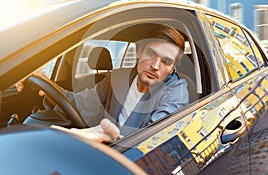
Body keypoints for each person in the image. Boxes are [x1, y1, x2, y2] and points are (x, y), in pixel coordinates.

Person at [16, 24, 189, 142]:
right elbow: (80, 103)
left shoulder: (177, 91)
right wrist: (46, 83)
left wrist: (113, 139)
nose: (155, 66)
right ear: (139, 52)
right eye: (151, 54)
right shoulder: (118, 77)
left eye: (166, 62)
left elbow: (155, 140)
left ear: (173, 68)